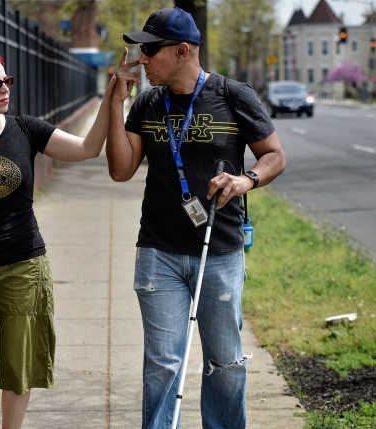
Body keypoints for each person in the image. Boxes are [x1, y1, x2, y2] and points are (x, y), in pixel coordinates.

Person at [0, 48, 134, 429]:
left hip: (24, 265)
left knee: (19, 360)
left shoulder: (27, 130)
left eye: (8, 80)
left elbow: (89, 149)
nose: (5, 88)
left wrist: (111, 94)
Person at [106, 8, 286, 429]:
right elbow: (120, 169)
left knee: (225, 364)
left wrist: (246, 180)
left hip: (219, 252)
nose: (143, 58)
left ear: (182, 50)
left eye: (150, 49)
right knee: (163, 366)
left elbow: (275, 155)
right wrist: (117, 100)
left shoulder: (233, 95)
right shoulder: (148, 102)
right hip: (159, 253)